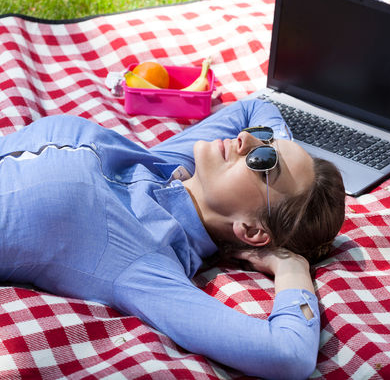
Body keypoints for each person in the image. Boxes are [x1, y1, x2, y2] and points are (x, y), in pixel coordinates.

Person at [0, 99, 346, 380]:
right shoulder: (167, 166)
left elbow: (289, 355)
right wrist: (282, 148)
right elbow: (253, 109)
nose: (246, 139)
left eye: (263, 160)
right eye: (263, 138)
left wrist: (291, 270)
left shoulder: (142, 261)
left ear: (252, 230)